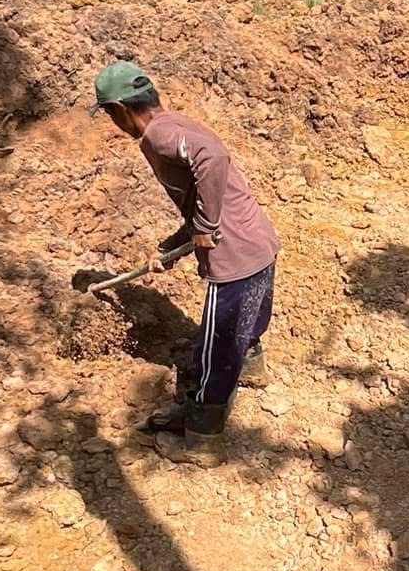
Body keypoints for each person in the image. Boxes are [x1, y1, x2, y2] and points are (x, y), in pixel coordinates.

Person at [92, 61, 279, 464]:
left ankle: (202, 435)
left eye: (109, 113)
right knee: (246, 324)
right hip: (257, 242)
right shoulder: (176, 122)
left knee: (214, 345)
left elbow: (212, 158)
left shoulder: (157, 136)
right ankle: (250, 367)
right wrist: (175, 243)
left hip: (234, 256)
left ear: (122, 109)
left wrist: (208, 227)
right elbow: (202, 192)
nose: (112, 122)